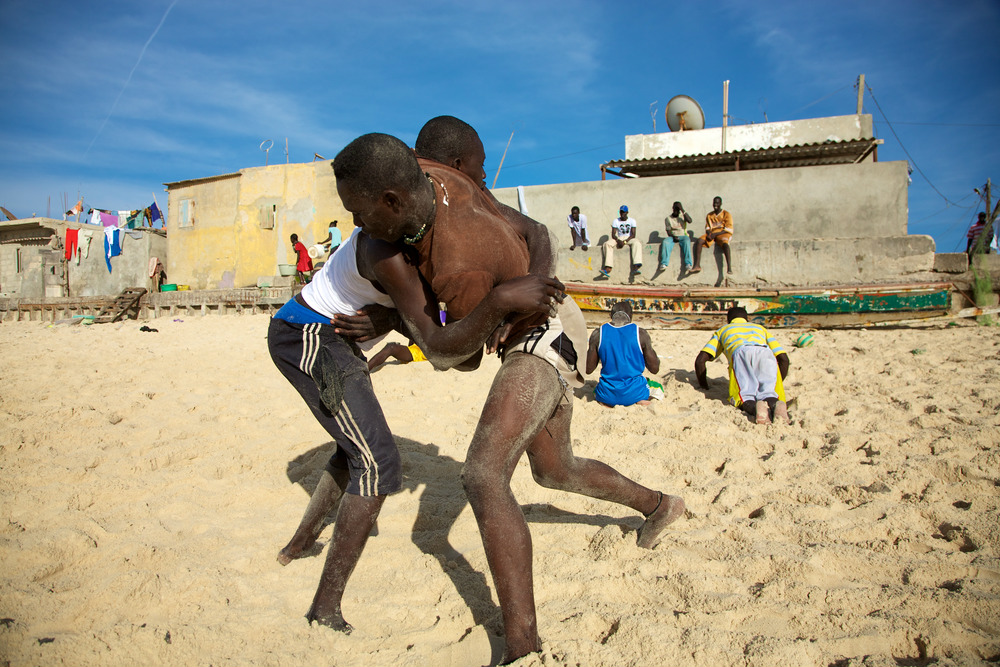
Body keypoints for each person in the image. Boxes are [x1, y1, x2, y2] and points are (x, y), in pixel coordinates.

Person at [333, 131, 684, 663]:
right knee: (554, 469)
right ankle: (661, 505)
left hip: (543, 339)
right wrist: (533, 283)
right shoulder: (445, 179)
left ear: (391, 200)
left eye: (359, 213)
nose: (357, 226)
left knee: (483, 472)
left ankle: (522, 647)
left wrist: (503, 301)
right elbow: (534, 228)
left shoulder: (461, 265)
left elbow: (459, 356)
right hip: (548, 320)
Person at [270, 212, 562, 634]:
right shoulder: (389, 248)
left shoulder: (442, 238)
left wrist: (397, 325)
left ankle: (299, 544)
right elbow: (447, 346)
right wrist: (492, 307)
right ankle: (324, 607)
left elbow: (438, 329)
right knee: (377, 463)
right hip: (311, 336)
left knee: (355, 445)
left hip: (327, 337)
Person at [694, 306, 790, 425]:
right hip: (765, 352)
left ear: (728, 320)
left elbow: (700, 361)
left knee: (745, 396)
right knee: (769, 393)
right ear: (747, 319)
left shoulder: (723, 330)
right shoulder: (760, 328)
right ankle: (776, 404)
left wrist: (704, 386)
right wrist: (777, 379)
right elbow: (783, 359)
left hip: (741, 352)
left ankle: (756, 409)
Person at [585, 301, 660, 407]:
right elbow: (654, 369)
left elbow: (588, 369)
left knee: (596, 390)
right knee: (658, 387)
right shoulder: (640, 333)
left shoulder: (598, 334)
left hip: (607, 394)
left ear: (610, 316)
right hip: (635, 392)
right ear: (631, 316)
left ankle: (605, 402)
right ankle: (639, 400)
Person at [690, 196, 733, 275]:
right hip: (713, 234)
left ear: (721, 204)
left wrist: (715, 234)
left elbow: (728, 229)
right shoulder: (709, 215)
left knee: (725, 244)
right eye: (714, 203)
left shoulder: (726, 214)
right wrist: (709, 234)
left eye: (717, 203)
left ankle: (729, 267)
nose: (715, 205)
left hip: (722, 233)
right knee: (699, 241)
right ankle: (697, 265)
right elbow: (708, 227)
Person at [601, 205, 643, 277]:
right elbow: (613, 234)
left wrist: (625, 242)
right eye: (621, 212)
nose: (622, 214)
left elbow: (633, 234)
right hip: (619, 238)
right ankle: (608, 267)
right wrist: (618, 240)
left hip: (629, 238)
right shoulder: (616, 221)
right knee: (607, 244)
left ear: (627, 212)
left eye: (624, 212)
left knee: (637, 243)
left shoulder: (632, 221)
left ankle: (636, 267)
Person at [659, 201, 693, 272]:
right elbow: (668, 232)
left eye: (678, 209)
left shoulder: (683, 217)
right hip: (673, 236)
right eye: (675, 209)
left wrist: (682, 210)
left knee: (687, 241)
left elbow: (690, 221)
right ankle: (664, 263)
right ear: (672, 208)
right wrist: (673, 236)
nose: (676, 211)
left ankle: (688, 264)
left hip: (683, 235)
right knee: (665, 242)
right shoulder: (668, 218)